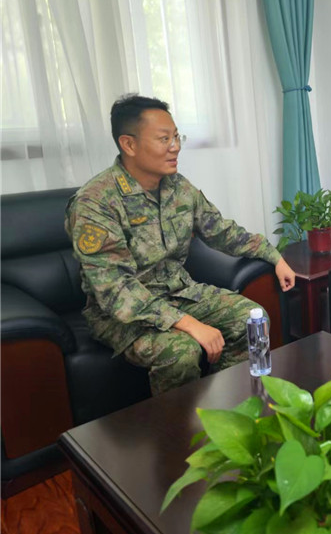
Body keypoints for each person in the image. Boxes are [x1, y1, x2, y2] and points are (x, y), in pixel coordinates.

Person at [66, 94, 296, 395]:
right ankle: (178, 425)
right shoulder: (95, 202)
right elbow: (114, 288)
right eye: (164, 139)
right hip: (122, 314)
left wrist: (273, 256)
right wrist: (187, 323)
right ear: (129, 144)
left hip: (179, 293)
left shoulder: (179, 187)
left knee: (252, 321)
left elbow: (221, 231)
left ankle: (231, 406)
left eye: (176, 137)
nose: (175, 147)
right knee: (182, 351)